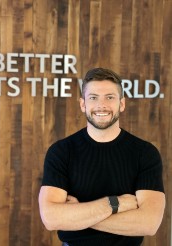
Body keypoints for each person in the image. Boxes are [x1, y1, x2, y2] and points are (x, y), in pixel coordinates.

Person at [38, 68, 165, 246]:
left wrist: (76, 216)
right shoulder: (61, 151)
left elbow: (149, 223)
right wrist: (115, 204)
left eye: (110, 97)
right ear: (83, 104)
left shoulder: (145, 153)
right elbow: (51, 218)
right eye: (93, 97)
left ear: (122, 104)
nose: (101, 104)